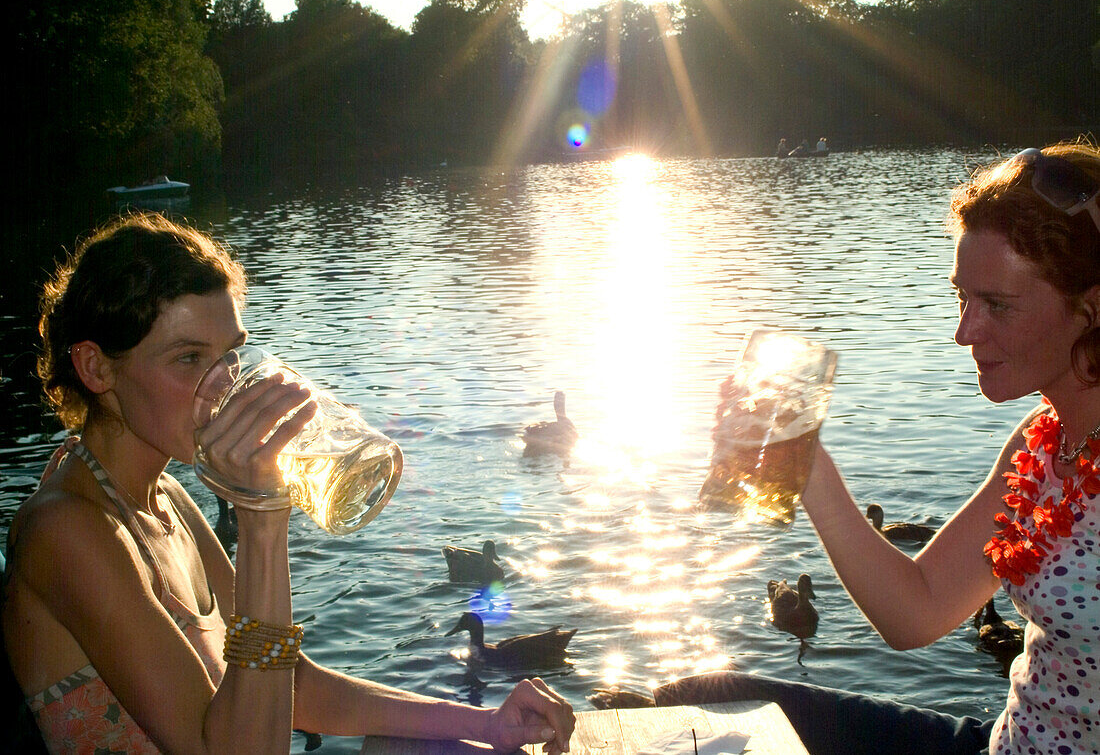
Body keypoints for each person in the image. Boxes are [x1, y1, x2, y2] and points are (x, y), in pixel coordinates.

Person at [1, 213, 576, 754]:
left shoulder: (167, 500)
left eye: (230, 354)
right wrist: (261, 519)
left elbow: (295, 687)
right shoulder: (67, 529)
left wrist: (487, 722)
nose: (224, 384)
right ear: (96, 368)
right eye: (187, 358)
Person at [656, 141, 1100, 755]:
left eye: (996, 305)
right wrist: (803, 462)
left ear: (1090, 306)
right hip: (1004, 742)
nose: (964, 331)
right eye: (962, 298)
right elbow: (915, 613)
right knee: (697, 700)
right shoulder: (1040, 445)